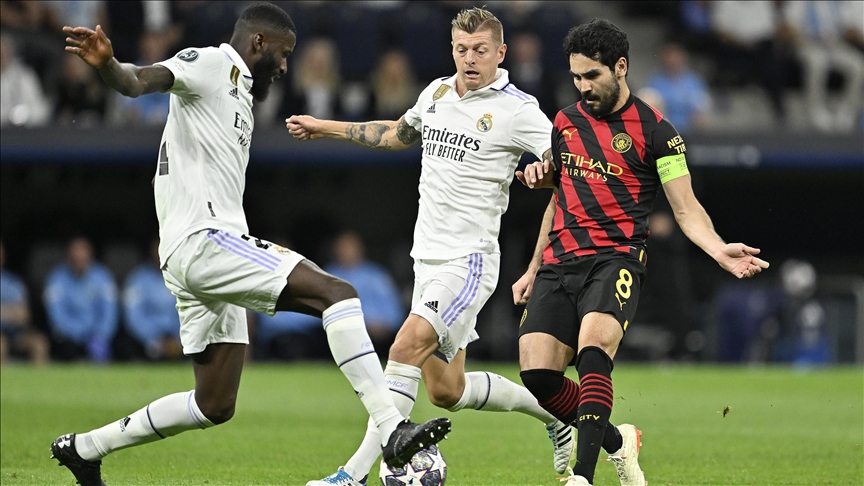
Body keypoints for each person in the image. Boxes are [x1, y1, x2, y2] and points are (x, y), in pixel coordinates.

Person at [51, 4, 450, 485]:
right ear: (259, 42)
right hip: (205, 241)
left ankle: (85, 448)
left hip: (195, 254)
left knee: (214, 403)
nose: (285, 66)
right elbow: (138, 81)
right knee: (338, 294)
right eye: (284, 54)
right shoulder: (210, 63)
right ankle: (392, 430)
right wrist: (109, 65)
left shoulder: (240, 97)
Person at [288, 7, 576, 486]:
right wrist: (324, 126)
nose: (470, 58)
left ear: (501, 53)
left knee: (404, 347)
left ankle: (352, 475)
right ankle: (555, 414)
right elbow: (395, 134)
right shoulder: (437, 92)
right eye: (462, 49)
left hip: (468, 260)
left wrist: (545, 171)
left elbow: (565, 164)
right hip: (427, 259)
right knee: (447, 390)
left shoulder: (518, 109)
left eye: (480, 50)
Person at [512, 19, 770, 486]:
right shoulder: (564, 123)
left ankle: (583, 477)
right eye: (576, 77)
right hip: (559, 260)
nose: (583, 87)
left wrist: (717, 249)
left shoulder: (658, 133)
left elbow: (686, 208)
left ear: (621, 67)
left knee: (593, 350)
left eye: (592, 76)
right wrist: (533, 268)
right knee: (538, 375)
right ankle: (619, 441)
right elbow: (558, 198)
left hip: (616, 259)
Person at [325, 231, 404, 357]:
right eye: (342, 247)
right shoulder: (328, 275)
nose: (346, 251)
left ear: (360, 249)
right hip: (338, 334)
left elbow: (395, 311)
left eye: (350, 247)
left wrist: (382, 324)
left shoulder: (376, 275)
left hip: (376, 336)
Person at [44, 236, 118, 363]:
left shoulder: (103, 277)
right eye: (76, 257)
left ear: (90, 256)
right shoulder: (56, 279)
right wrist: (80, 335)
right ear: (68, 256)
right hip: (68, 338)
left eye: (83, 256)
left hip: (97, 337)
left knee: (105, 349)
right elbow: (57, 317)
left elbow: (109, 313)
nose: (79, 260)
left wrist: (99, 335)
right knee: (65, 348)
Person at [121, 239, 181, 361]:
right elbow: (133, 317)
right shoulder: (138, 279)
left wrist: (178, 339)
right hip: (147, 340)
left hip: (177, 339)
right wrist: (153, 339)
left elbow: (189, 310)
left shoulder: (181, 277)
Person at [0, 239, 49, 365]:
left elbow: (24, 316)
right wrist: (11, 311)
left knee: (39, 343)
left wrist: (4, 312)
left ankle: (40, 377)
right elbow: (16, 313)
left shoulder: (13, 283)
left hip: (15, 334)